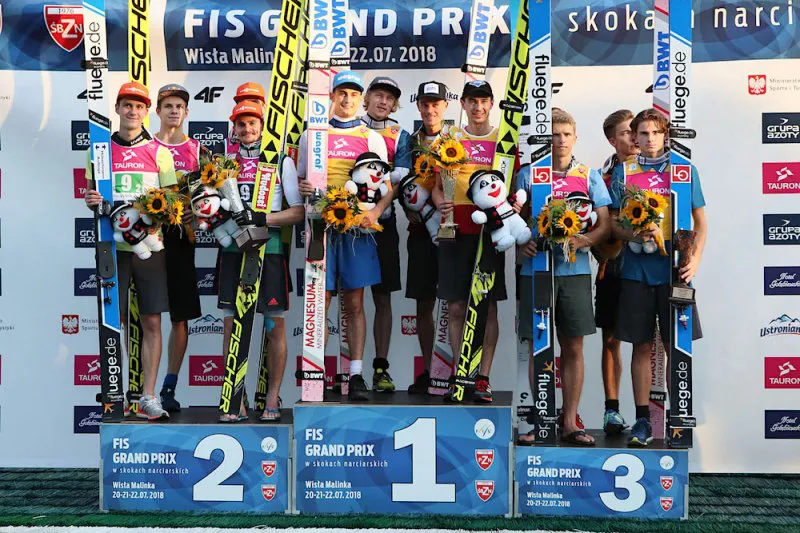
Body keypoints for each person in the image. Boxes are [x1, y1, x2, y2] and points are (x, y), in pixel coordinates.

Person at [608, 108, 707, 446]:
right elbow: (615, 225)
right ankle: (642, 421)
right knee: (641, 345)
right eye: (643, 133)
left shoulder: (684, 168)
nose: (650, 139)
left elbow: (701, 221)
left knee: (675, 345)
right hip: (636, 270)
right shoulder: (624, 170)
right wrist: (635, 235)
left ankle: (678, 418)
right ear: (634, 137)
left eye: (655, 132)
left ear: (665, 135)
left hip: (675, 271)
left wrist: (695, 260)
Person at [517, 108, 612, 445]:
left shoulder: (589, 175)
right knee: (538, 345)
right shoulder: (529, 174)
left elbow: (605, 223)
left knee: (573, 345)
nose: (560, 141)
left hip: (575, 271)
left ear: (575, 137)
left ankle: (570, 421)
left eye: (566, 135)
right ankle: (542, 419)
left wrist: (586, 240)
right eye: (554, 135)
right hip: (535, 270)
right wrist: (522, 243)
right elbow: (512, 218)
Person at [84, 81, 178, 421]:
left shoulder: (159, 151)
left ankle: (148, 396)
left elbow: (173, 203)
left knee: (151, 320)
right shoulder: (99, 150)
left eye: (139, 106)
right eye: (127, 105)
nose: (133, 111)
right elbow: (91, 195)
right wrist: (91, 199)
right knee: (115, 321)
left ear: (146, 111)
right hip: (112, 247)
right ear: (118, 108)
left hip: (149, 248)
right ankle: (116, 392)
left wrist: (155, 216)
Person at [298, 70, 391, 401]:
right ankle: (316, 373)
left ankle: (356, 374)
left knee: (354, 302)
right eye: (342, 93)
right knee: (319, 303)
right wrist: (304, 187)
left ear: (360, 99)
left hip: (356, 232)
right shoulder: (312, 135)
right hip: (320, 228)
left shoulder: (371, 137)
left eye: (353, 94)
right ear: (332, 97)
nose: (347, 99)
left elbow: (386, 187)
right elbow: (301, 179)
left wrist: (375, 214)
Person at [216, 100, 304, 422]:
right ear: (234, 128)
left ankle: (272, 396)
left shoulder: (281, 161)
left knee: (273, 326)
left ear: (263, 126)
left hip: (271, 250)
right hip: (233, 251)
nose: (247, 129)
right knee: (232, 326)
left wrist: (262, 217)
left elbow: (298, 212)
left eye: (253, 123)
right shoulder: (225, 162)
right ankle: (234, 398)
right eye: (241, 124)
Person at [432, 80, 504, 402]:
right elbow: (438, 189)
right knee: (457, 305)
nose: (478, 107)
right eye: (472, 101)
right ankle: (461, 373)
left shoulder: (502, 139)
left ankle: (483, 377)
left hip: (489, 233)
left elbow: (511, 186)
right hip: (454, 231)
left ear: (491, 104)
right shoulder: (449, 139)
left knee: (487, 307)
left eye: (483, 101)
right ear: (462, 104)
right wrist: (440, 203)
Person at [152, 83, 204, 413]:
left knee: (180, 317)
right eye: (168, 105)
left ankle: (169, 386)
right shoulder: (146, 146)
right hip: (147, 237)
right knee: (147, 315)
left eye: (179, 106)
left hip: (182, 237)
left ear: (186, 112)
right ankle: (141, 387)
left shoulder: (197, 150)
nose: (174, 111)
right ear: (157, 111)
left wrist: (195, 216)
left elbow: (211, 199)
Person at [360, 76, 412, 392]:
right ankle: (345, 371)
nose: (383, 101)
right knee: (348, 298)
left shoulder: (399, 135)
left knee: (383, 297)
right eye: (378, 95)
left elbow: (400, 179)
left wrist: (377, 209)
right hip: (348, 224)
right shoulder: (349, 128)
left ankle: (381, 368)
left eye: (389, 98)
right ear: (366, 98)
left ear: (394, 105)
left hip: (383, 223)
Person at [405, 81, 449, 394]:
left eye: (436, 104)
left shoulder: (457, 138)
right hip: (420, 231)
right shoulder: (409, 141)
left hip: (453, 230)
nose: (430, 110)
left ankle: (456, 370)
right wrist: (405, 205)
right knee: (424, 303)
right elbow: (395, 179)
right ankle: (431, 370)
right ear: (418, 106)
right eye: (425, 104)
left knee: (455, 303)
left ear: (445, 106)